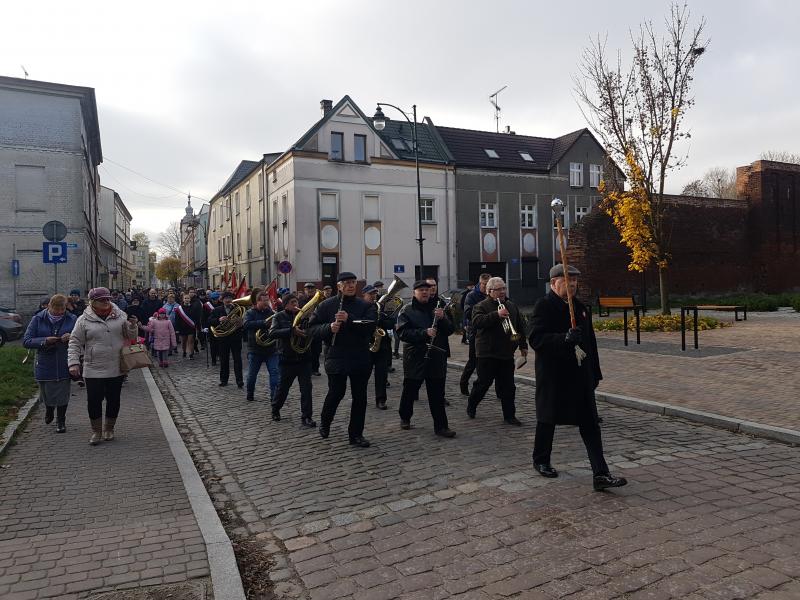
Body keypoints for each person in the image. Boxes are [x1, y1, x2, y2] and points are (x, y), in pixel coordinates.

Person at [529, 265, 628, 491]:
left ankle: (600, 474)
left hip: (580, 375)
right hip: (554, 374)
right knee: (548, 419)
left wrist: (595, 373)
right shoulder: (543, 306)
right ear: (554, 283)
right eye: (567, 281)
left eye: (574, 281)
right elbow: (536, 339)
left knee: (591, 424)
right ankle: (541, 460)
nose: (572, 285)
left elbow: (590, 344)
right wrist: (564, 338)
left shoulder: (581, 308)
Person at [307, 272, 377, 447]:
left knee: (360, 398)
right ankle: (325, 422)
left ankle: (356, 435)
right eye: (346, 283)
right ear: (339, 286)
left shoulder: (365, 305)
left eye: (353, 282)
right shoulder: (325, 305)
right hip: (336, 355)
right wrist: (329, 328)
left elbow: (370, 326)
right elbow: (311, 329)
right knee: (336, 393)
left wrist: (349, 320)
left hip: (360, 356)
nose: (351, 285)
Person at [68, 287, 137, 445]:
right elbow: (75, 342)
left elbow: (131, 337)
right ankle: (96, 431)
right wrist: (73, 363)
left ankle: (109, 428)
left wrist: (132, 326)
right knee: (94, 400)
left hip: (116, 366)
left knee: (113, 400)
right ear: (92, 302)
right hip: (93, 367)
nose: (106, 302)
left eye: (108, 299)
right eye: (102, 300)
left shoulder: (120, 316)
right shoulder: (83, 320)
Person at [396, 280, 456, 437]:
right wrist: (424, 333)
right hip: (415, 356)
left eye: (427, 290)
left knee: (437, 393)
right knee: (410, 389)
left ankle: (441, 426)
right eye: (421, 290)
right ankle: (405, 417)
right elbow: (402, 333)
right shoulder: (406, 310)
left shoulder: (438, 307)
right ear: (414, 292)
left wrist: (443, 318)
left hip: (436, 356)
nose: (425, 292)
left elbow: (450, 330)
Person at [466, 276, 527, 425]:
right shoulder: (480, 306)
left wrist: (523, 345)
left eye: (503, 288)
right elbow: (477, 323)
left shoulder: (511, 306)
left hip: (506, 353)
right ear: (489, 291)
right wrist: (496, 315)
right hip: (487, 352)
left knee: (508, 387)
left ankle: (509, 416)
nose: (502, 292)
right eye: (498, 289)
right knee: (483, 383)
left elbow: (519, 326)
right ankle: (472, 404)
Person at [24, 294, 77, 433]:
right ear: (49, 306)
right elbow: (27, 341)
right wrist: (44, 340)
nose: (59, 312)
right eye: (56, 309)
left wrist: (72, 337)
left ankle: (61, 421)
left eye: (62, 309)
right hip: (44, 361)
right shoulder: (38, 319)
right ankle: (49, 409)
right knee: (46, 392)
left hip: (64, 360)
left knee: (63, 393)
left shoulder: (72, 319)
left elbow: (81, 338)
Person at [269, 293, 316, 427]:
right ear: (285, 305)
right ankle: (275, 409)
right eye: (292, 303)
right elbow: (272, 333)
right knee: (283, 388)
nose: (296, 305)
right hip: (287, 358)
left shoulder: (303, 316)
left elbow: (312, 331)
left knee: (306, 389)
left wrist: (309, 322)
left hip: (304, 358)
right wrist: (291, 330)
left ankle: (306, 417)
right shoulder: (278, 316)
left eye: (296, 302)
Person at [243, 291, 279, 402]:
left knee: (275, 373)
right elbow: (246, 324)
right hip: (255, 349)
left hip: (271, 349)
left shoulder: (271, 312)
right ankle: (250, 393)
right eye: (264, 301)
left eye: (267, 300)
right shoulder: (250, 313)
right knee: (252, 375)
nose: (266, 303)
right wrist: (263, 323)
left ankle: (274, 396)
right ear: (258, 301)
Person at [363, 285, 394, 410]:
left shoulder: (381, 308)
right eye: (370, 294)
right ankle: (360, 398)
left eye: (374, 294)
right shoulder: (361, 308)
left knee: (381, 375)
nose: (373, 296)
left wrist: (381, 320)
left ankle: (381, 400)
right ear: (364, 295)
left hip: (382, 346)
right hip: (366, 346)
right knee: (363, 375)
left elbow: (391, 322)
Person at [459, 272, 490, 396]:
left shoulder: (492, 294)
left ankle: (499, 391)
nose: (486, 286)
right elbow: (467, 313)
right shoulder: (471, 295)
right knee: (473, 361)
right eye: (484, 284)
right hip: (476, 332)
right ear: (480, 283)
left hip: (489, 331)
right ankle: (463, 383)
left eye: (488, 284)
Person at [209, 291, 244, 387]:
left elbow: (244, 323)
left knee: (237, 360)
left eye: (230, 298)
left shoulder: (238, 309)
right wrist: (218, 320)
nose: (228, 300)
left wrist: (241, 323)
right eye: (226, 298)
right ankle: (224, 380)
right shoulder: (217, 310)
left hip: (236, 338)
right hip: (223, 338)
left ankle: (239, 380)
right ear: (222, 300)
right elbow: (209, 321)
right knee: (224, 360)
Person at [175, 293, 201, 359]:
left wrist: (197, 326)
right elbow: (177, 319)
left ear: (190, 299)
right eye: (185, 298)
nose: (187, 299)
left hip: (191, 327)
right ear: (183, 299)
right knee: (184, 341)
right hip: (182, 327)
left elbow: (196, 317)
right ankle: (184, 352)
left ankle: (191, 354)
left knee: (191, 341)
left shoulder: (193, 307)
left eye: (188, 298)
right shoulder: (179, 309)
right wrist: (177, 329)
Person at [203, 291, 221, 365]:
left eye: (216, 299)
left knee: (220, 343)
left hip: (221, 327)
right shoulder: (206, 305)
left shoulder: (221, 304)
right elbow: (203, 317)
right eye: (213, 299)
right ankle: (213, 360)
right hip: (211, 326)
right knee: (213, 345)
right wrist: (204, 327)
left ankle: (220, 356)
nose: (215, 300)